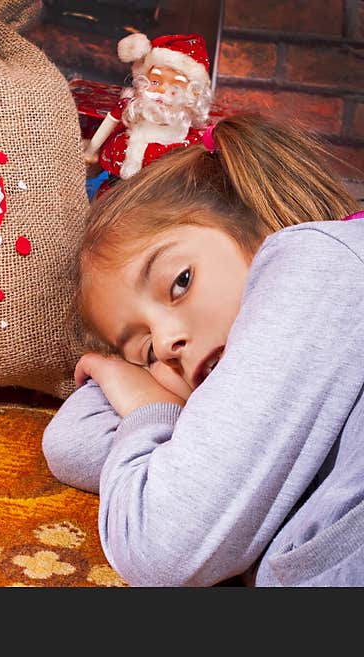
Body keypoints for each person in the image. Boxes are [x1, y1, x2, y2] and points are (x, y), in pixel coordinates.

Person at [43, 112, 364, 586]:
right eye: (147, 351)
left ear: (264, 228)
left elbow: (161, 546)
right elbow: (70, 442)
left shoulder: (322, 262)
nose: (169, 343)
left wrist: (150, 404)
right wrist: (131, 384)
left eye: (180, 283)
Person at [82, 33, 214, 197]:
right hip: (110, 197)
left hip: (155, 209)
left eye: (175, 86)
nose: (160, 91)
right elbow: (108, 129)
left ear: (193, 93)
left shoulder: (192, 143)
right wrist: (90, 153)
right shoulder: (130, 120)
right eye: (156, 82)